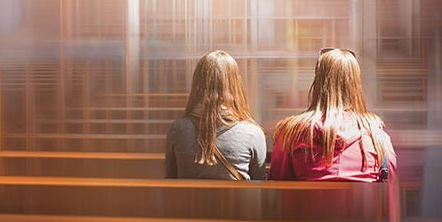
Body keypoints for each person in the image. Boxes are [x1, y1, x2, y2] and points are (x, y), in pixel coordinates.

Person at [269, 48, 397, 181]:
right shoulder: (377, 135)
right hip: (363, 202)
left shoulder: (290, 133)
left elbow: (277, 185)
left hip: (309, 202)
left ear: (317, 82)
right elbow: (391, 186)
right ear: (356, 84)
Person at [165, 51, 267, 180]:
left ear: (197, 84)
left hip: (188, 200)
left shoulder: (178, 129)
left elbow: (170, 178)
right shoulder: (253, 133)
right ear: (235, 84)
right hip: (237, 200)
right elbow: (259, 183)